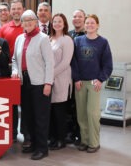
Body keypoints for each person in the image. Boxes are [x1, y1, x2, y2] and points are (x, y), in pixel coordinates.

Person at [12, 9, 54, 160]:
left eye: (31, 20)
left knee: (40, 117)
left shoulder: (43, 38)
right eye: (25, 20)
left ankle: (42, 148)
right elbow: (15, 59)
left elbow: (50, 62)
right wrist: (15, 70)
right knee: (28, 116)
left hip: (40, 82)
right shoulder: (19, 38)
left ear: (36, 22)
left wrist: (48, 83)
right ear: (21, 23)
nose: (28, 23)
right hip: (24, 82)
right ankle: (33, 144)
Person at [72, 14, 113, 153]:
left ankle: (94, 143)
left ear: (97, 25)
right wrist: (76, 78)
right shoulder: (77, 41)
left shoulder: (103, 42)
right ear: (84, 24)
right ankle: (84, 141)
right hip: (80, 83)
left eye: (92, 23)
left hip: (94, 83)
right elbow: (74, 62)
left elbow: (108, 64)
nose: (89, 25)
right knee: (81, 114)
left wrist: (101, 79)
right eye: (87, 23)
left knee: (93, 114)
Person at [0, 0, 25, 144]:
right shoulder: (3, 29)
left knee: (25, 102)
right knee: (11, 103)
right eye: (13, 9)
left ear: (23, 9)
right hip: (8, 70)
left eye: (18, 8)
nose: (15, 11)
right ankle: (12, 132)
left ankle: (25, 132)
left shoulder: (28, 26)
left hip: (25, 69)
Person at [48, 13, 74, 150]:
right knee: (51, 111)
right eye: (55, 21)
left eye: (60, 21)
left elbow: (65, 63)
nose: (57, 23)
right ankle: (52, 138)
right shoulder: (49, 39)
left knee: (59, 112)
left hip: (61, 79)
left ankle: (61, 140)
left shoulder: (67, 40)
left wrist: (50, 75)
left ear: (64, 24)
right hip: (49, 80)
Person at [66, 9, 86, 145]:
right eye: (74, 16)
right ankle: (69, 134)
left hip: (82, 77)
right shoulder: (68, 35)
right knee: (69, 107)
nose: (77, 19)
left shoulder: (89, 35)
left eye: (80, 16)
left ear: (84, 18)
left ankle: (81, 135)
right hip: (67, 77)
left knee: (81, 108)